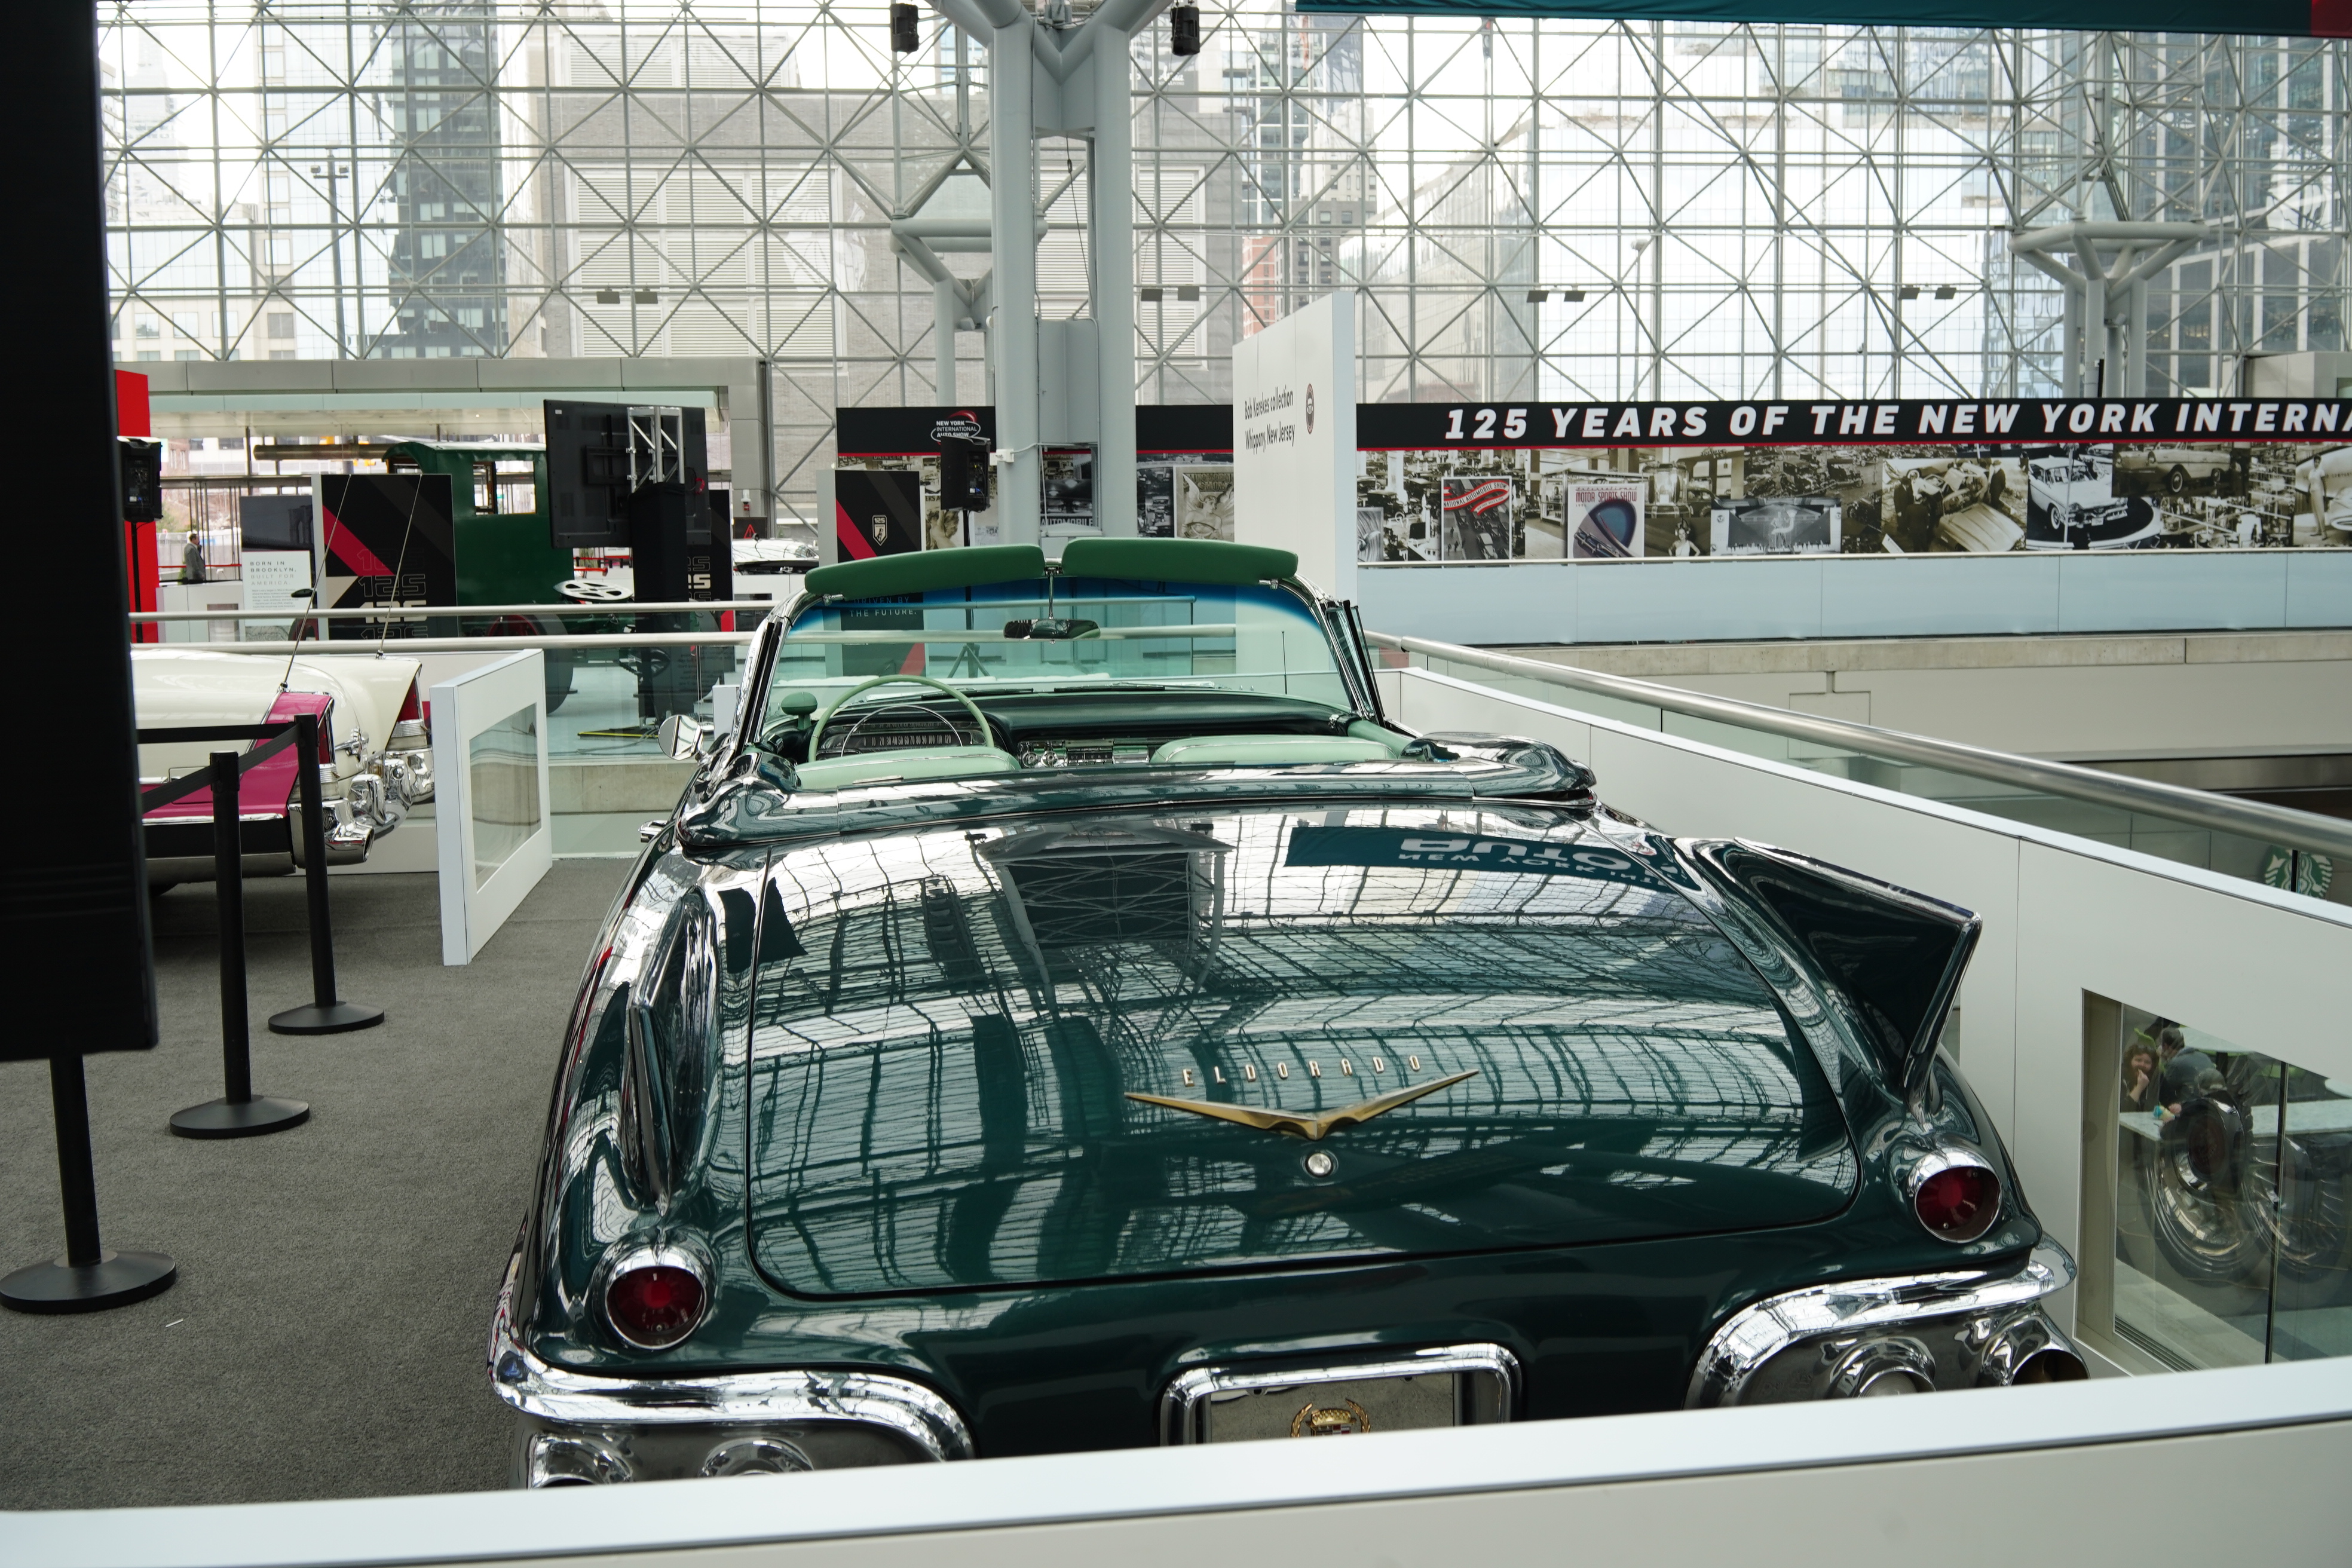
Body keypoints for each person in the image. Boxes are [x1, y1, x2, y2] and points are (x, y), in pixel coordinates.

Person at [2156, 1023, 2219, 1116]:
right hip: (2211, 1108)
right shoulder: (2203, 1056)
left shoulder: (2176, 1063)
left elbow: (2164, 1089)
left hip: (2189, 1110)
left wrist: (2160, 1060)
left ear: (2165, 1046)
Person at [2121, 1042, 2160, 1113]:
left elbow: (2171, 1102)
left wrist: (2175, 1106)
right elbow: (2122, 1110)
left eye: (2147, 1062)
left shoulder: (2157, 1078)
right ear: (2130, 1061)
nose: (2142, 1065)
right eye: (2138, 1060)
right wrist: (2139, 1088)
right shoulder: (2120, 1078)